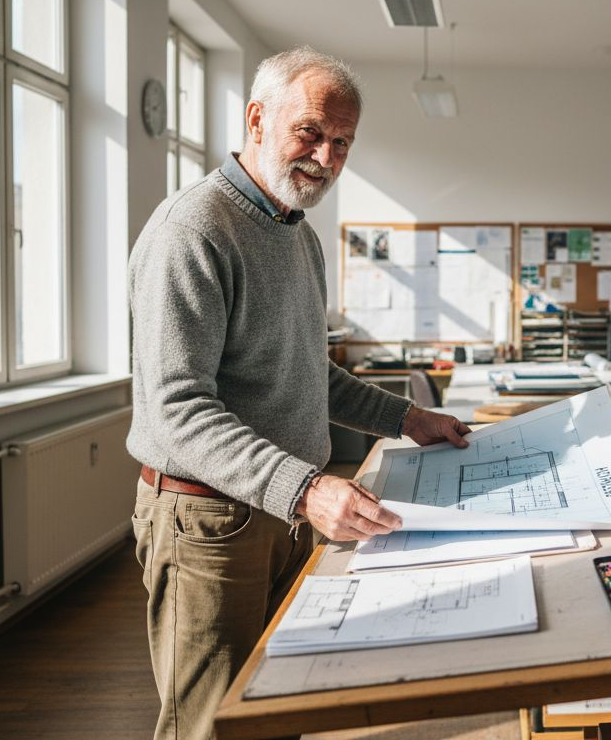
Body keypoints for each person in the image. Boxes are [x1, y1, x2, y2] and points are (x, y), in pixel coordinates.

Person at [127, 46, 471, 740]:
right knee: (212, 724)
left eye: (341, 141)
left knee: (280, 705)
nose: (326, 154)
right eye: (310, 131)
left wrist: (408, 417)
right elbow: (177, 409)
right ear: (257, 119)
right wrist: (308, 490)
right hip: (209, 526)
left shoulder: (296, 235)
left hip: (281, 510)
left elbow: (308, 373)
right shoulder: (192, 230)